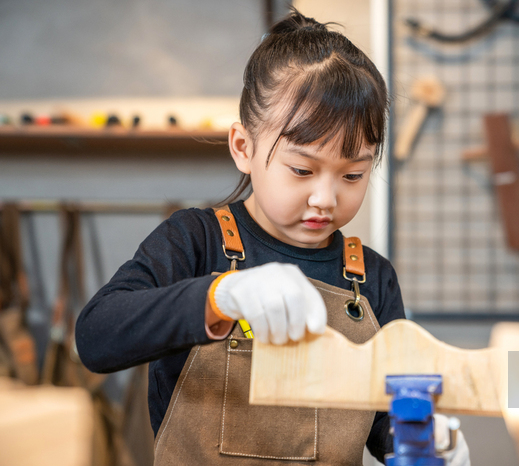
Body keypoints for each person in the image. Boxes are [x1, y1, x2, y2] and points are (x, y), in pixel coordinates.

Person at [76, 9, 469, 466]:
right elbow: (96, 337)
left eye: (353, 173)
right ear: (244, 148)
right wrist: (222, 295)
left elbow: (385, 419)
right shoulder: (195, 242)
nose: (325, 197)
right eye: (302, 170)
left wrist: (424, 439)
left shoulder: (372, 279)